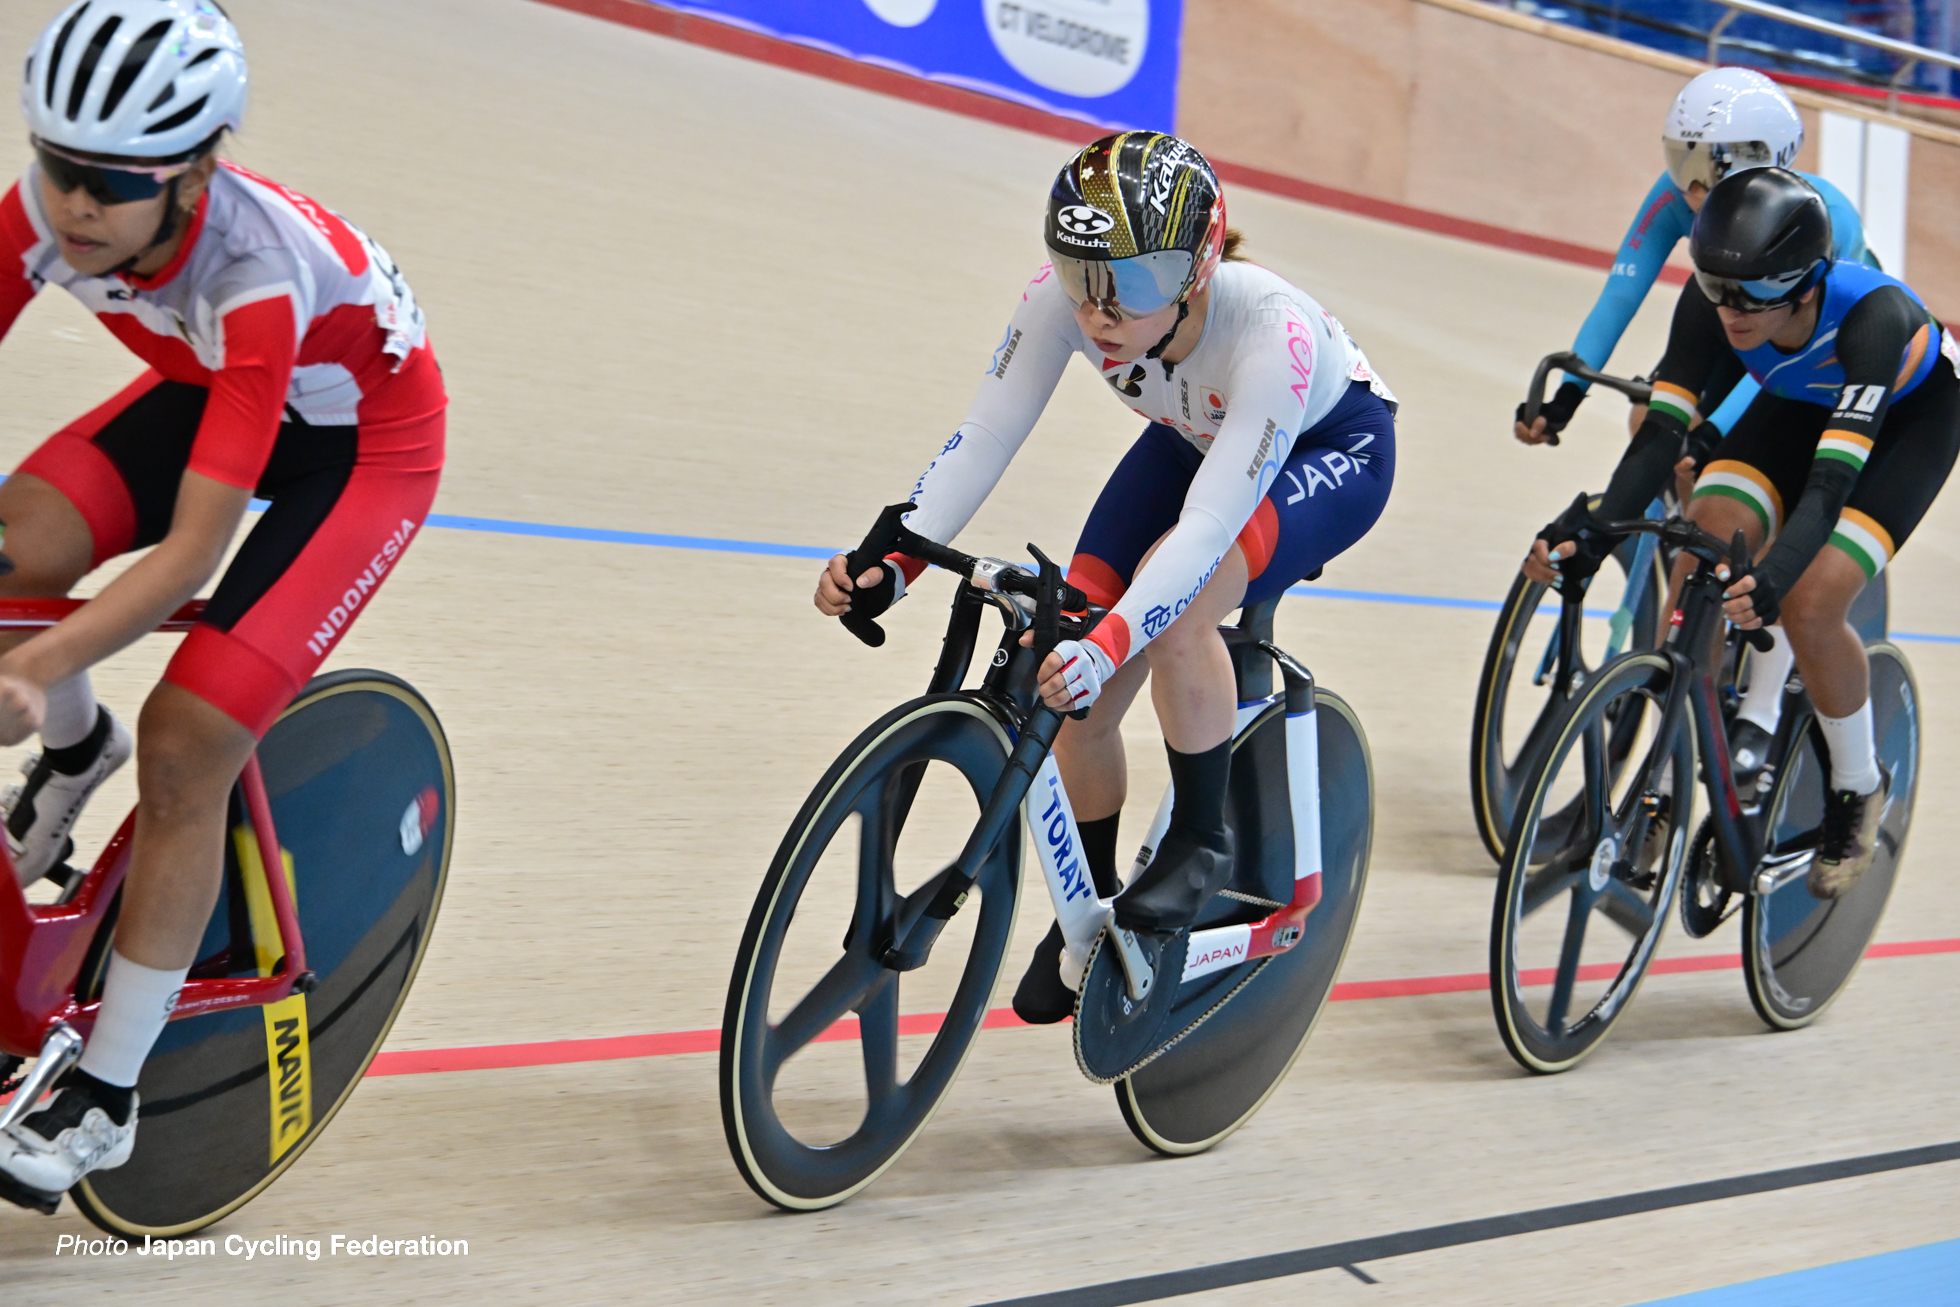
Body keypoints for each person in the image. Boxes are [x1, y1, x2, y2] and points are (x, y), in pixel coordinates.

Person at [0, 0, 444, 1204]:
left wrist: (34, 665)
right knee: (12, 551)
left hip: (360, 453)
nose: (75, 204)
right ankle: (71, 749)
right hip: (221, 397)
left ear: (195, 170)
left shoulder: (250, 271)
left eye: (110, 181)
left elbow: (190, 557)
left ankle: (106, 1089)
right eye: (57, 166)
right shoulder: (42, 211)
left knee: (189, 741)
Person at [814, 132, 1396, 1022]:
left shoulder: (1267, 333)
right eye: (1079, 272)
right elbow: (987, 434)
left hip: (1330, 447)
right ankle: (1087, 915)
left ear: (1197, 269)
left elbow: (1205, 530)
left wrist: (1120, 636)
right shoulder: (1070, 297)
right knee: (1069, 660)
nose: (1098, 312)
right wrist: (896, 559)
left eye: (1128, 282)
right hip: (1195, 433)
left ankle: (1202, 837)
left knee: (1179, 614)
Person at [1525, 167, 1957, 900]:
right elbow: (1662, 434)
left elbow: (1828, 487)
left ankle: (1857, 786)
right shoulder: (1713, 299)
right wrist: (1594, 534)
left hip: (1907, 423)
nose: (1734, 310)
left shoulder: (1873, 317)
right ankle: (1665, 776)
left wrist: (1779, 577)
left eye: (1755, 291)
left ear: (1809, 279)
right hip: (1797, 403)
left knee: (1812, 603)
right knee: (1707, 529)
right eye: (1719, 286)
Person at [1515, 67, 1871, 452]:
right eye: (1682, 162)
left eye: (1713, 167)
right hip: (1743, 316)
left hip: (1819, 342)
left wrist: (1712, 433)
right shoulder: (1672, 194)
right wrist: (1567, 397)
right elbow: (1620, 297)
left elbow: (1786, 358)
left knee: (1731, 453)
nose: (1694, 188)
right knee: (1651, 418)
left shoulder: (1827, 217)